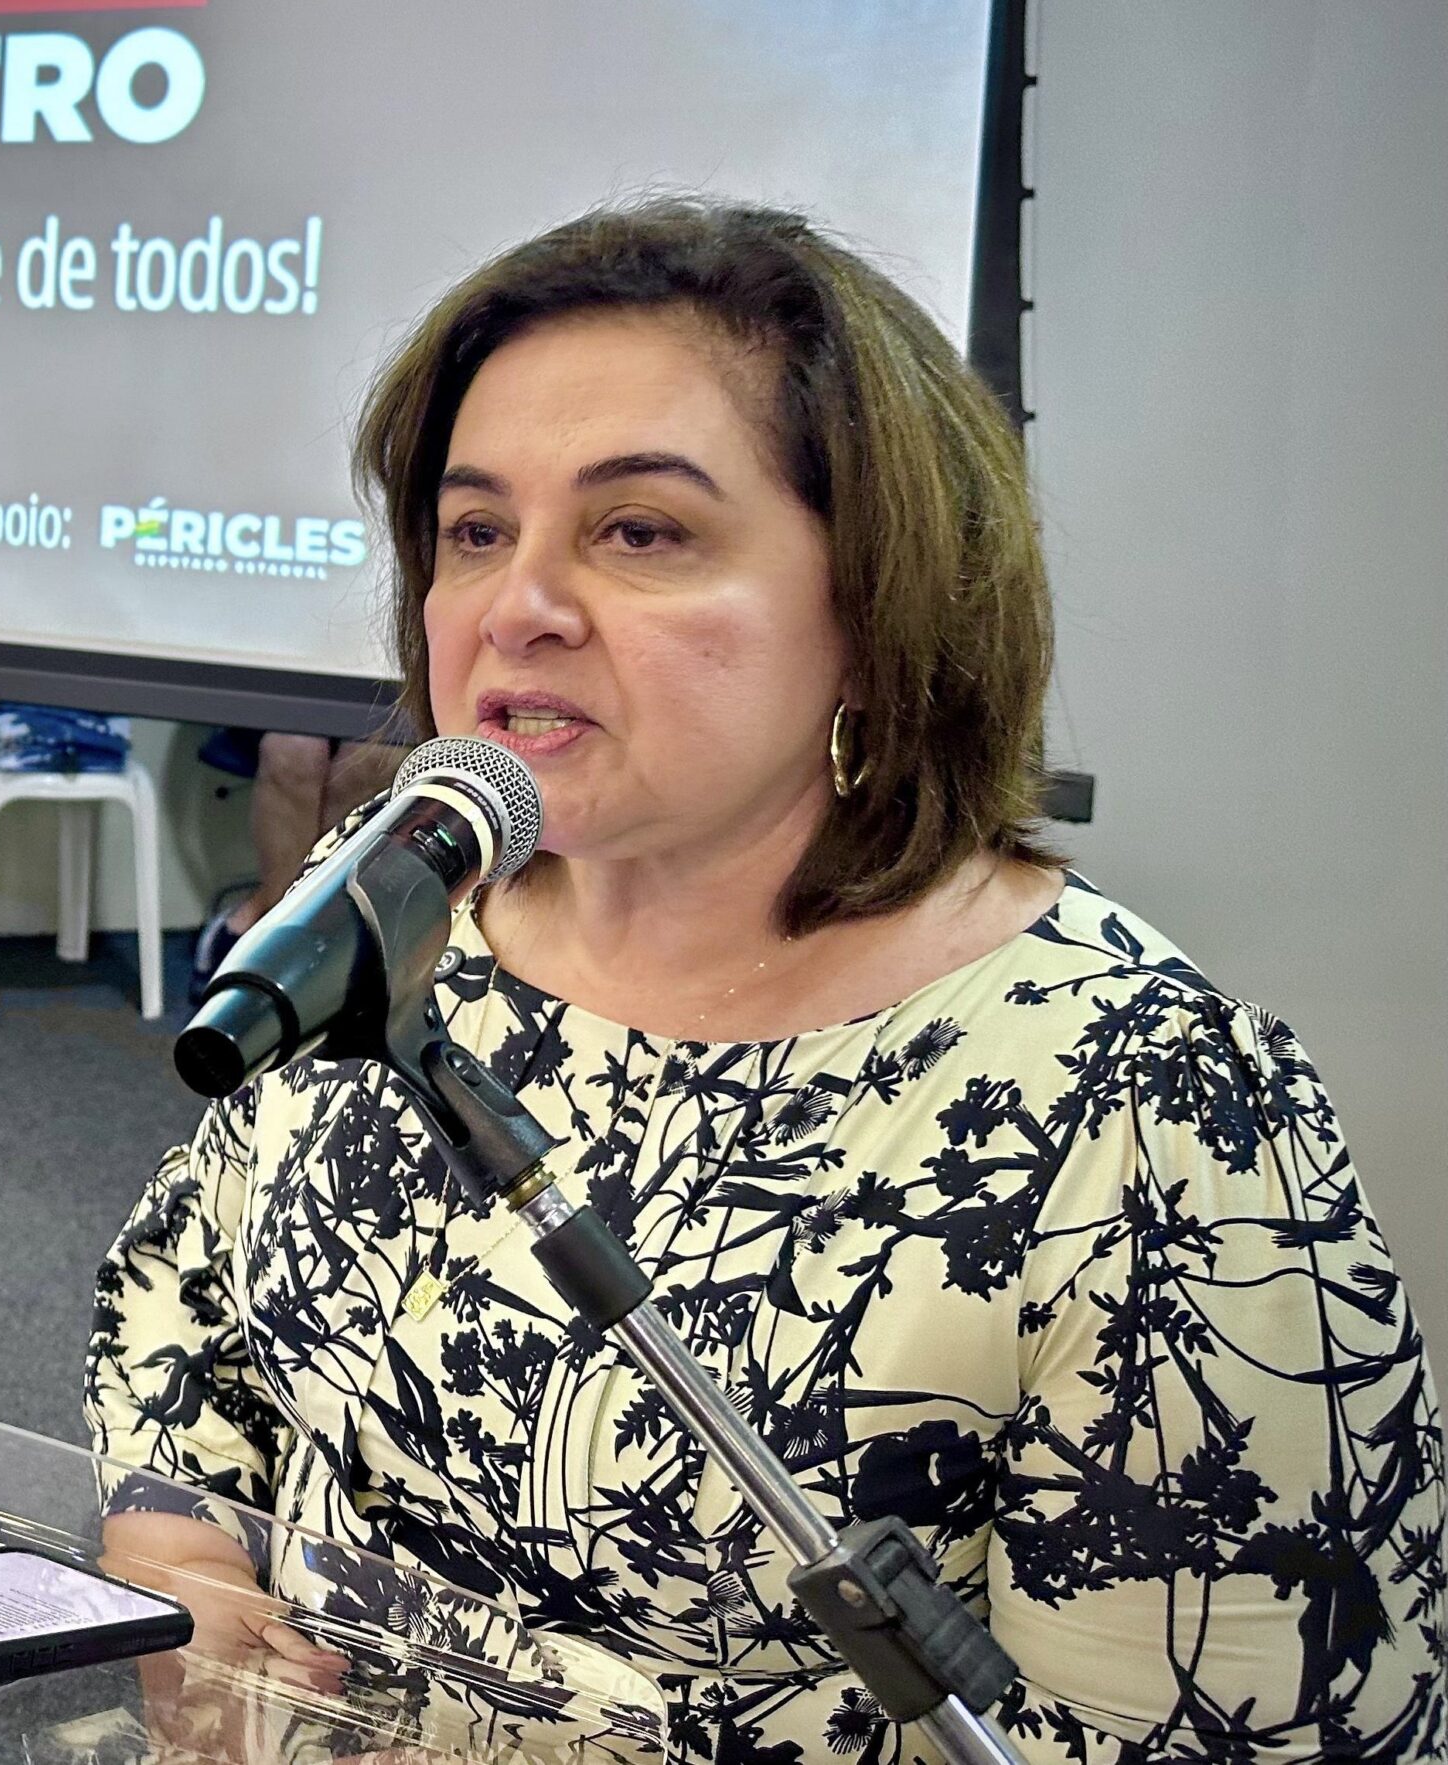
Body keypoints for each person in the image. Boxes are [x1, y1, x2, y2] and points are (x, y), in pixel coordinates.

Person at [88, 199, 1445, 1761]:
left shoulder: (1154, 1103)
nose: (517, 606)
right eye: (476, 532)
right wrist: (176, 1554)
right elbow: (182, 1293)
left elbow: (1242, 1717)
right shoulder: (409, 903)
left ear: (874, 602)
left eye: (639, 532)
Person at [190, 730, 409, 1000]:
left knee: (375, 756)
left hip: (377, 713)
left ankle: (274, 920)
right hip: (283, 711)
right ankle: (288, 924)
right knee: (292, 749)